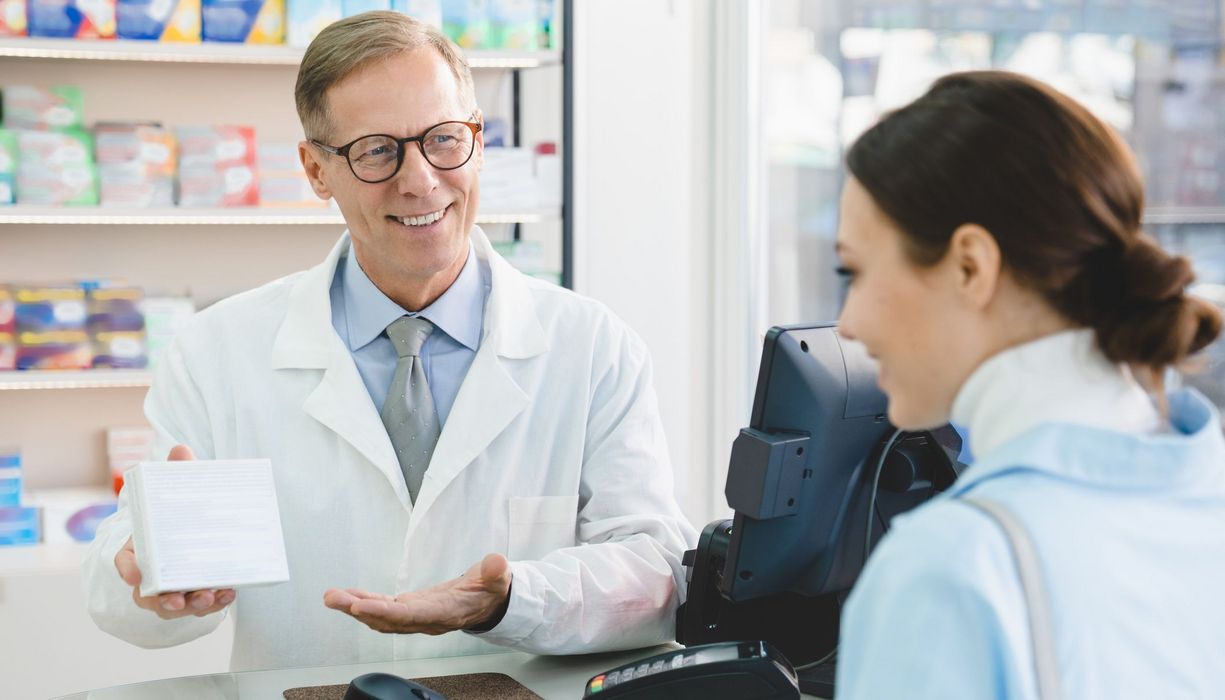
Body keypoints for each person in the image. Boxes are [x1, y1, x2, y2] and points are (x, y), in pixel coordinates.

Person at [84, 11, 696, 672]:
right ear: (316, 170)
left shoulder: (593, 348)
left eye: (443, 139)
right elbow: (121, 584)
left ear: (478, 140)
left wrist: (513, 600)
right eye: (377, 150)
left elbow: (657, 572)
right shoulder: (217, 354)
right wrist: (152, 572)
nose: (420, 179)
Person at [832, 71, 1225, 698]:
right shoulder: (1205, 496)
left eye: (853, 271)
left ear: (970, 266)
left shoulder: (952, 570)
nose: (847, 324)